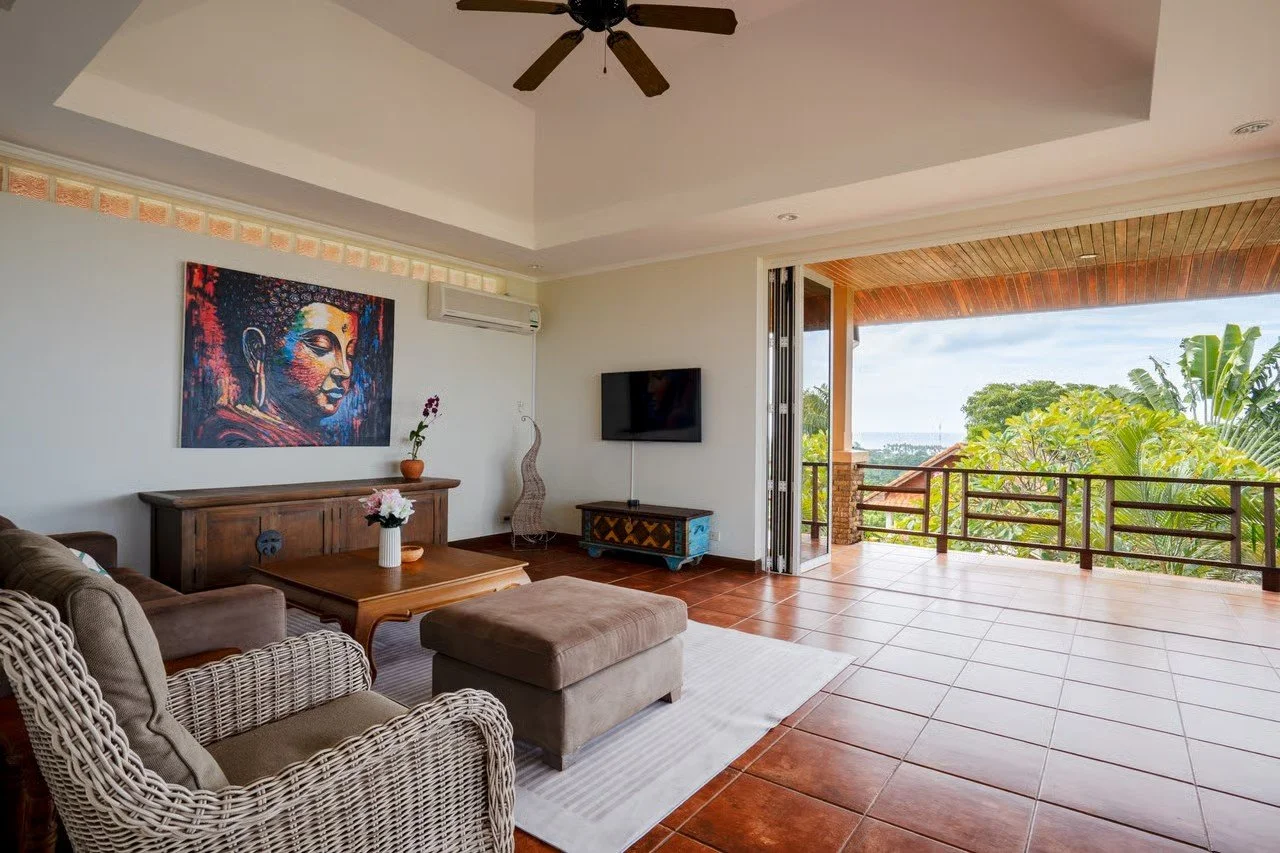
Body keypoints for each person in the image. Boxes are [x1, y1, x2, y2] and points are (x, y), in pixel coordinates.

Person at [190, 272, 366, 448]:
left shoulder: (324, 441)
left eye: (350, 354)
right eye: (321, 347)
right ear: (257, 349)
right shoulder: (230, 436)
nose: (345, 371)